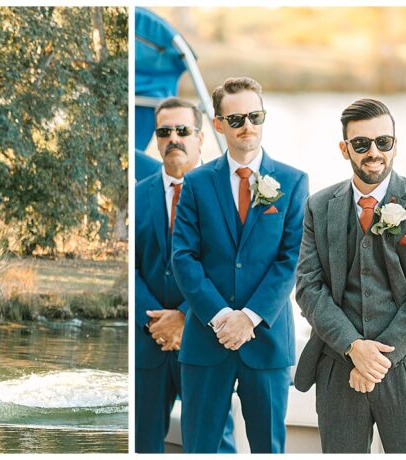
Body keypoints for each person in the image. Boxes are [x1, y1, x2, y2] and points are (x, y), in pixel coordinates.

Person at [293, 98, 406, 453]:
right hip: (338, 365)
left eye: (383, 142)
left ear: (395, 144)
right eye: (361, 144)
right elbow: (309, 288)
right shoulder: (318, 206)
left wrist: (376, 360)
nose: (374, 152)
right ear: (345, 149)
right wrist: (353, 347)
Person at [171, 77, 309, 453]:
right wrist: (220, 317)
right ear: (218, 125)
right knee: (200, 447)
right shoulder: (197, 183)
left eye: (255, 116)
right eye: (236, 119)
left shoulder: (294, 182)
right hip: (206, 339)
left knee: (268, 448)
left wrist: (248, 317)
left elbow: (291, 258)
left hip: (265, 340)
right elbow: (183, 256)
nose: (247, 126)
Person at [135, 97, 235, 453]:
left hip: (205, 340)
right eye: (164, 131)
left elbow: (229, 269)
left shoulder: (226, 193)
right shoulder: (138, 194)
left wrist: (185, 317)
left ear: (200, 136)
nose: (173, 138)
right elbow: (129, 267)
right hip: (148, 342)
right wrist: (154, 321)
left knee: (211, 445)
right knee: (143, 444)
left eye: (182, 130)